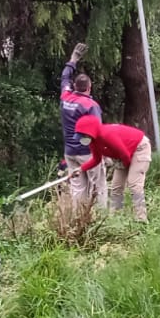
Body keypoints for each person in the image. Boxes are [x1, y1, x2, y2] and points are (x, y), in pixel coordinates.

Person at [72, 114, 150, 222]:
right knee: (116, 187)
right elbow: (96, 159)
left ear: (90, 132)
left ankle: (141, 219)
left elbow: (124, 154)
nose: (82, 139)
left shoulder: (107, 135)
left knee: (134, 184)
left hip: (139, 148)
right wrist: (81, 169)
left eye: (83, 136)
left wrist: (127, 169)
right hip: (123, 155)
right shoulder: (93, 141)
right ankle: (115, 219)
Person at [59, 43, 106, 210]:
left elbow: (65, 77)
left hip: (70, 152)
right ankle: (101, 222)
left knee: (77, 189)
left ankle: (78, 221)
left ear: (74, 87)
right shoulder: (90, 105)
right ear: (89, 87)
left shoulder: (65, 97)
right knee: (97, 187)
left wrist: (73, 59)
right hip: (88, 153)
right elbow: (98, 132)